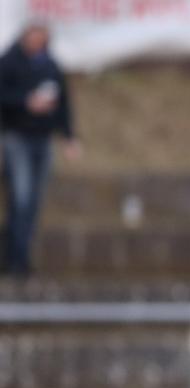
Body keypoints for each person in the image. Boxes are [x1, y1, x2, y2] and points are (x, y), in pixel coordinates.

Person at [0, 22, 80, 277]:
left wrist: (68, 136)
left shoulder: (49, 65)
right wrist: (26, 103)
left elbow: (63, 103)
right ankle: (14, 260)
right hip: (17, 138)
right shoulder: (9, 62)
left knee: (33, 203)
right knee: (20, 199)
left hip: (42, 140)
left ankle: (22, 259)